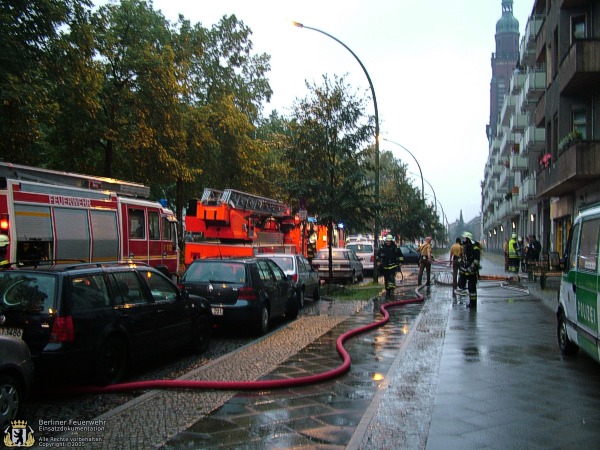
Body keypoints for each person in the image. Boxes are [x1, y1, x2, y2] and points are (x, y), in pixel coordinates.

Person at [455, 231, 481, 309]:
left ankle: (473, 304)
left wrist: (471, 268)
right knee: (460, 283)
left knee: (472, 287)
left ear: (468, 239)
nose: (463, 240)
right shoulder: (464, 247)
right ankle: (469, 299)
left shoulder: (475, 248)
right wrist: (460, 264)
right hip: (465, 269)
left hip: (472, 271)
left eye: (465, 238)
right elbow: (461, 257)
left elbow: (476, 260)